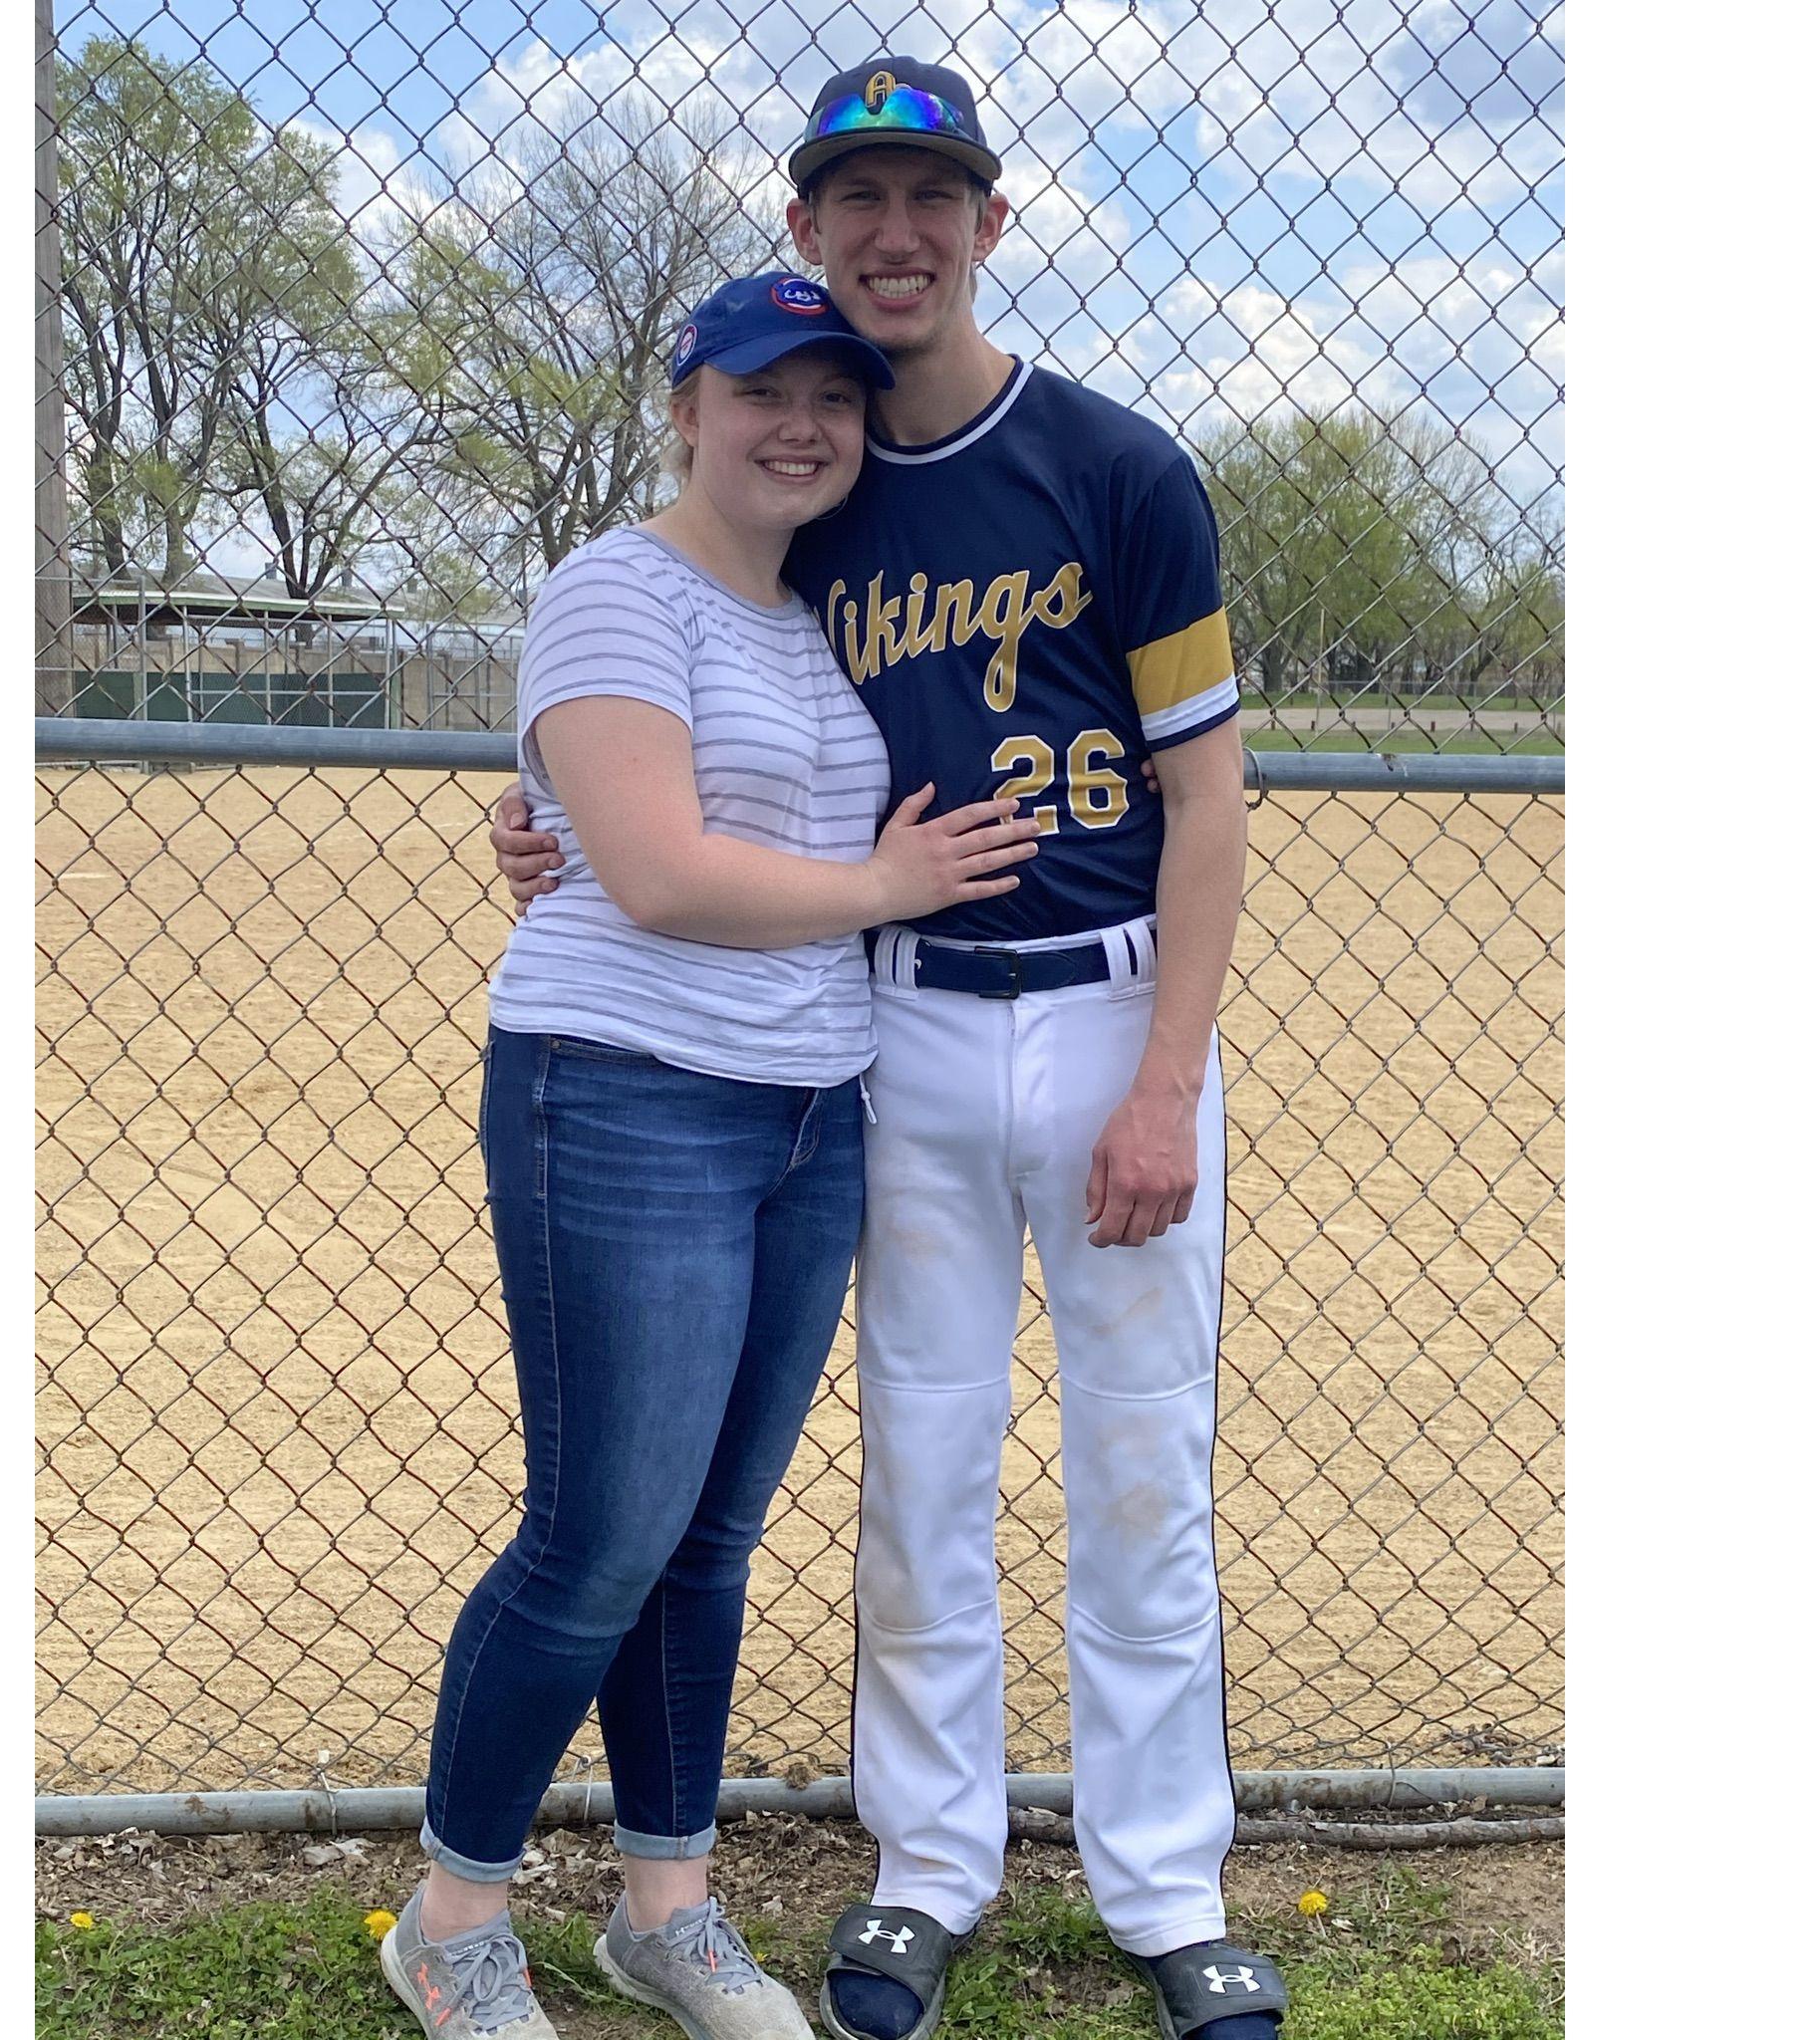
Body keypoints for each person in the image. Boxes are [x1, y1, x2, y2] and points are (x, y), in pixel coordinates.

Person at [491, 58, 1291, 2040]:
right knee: (921, 1465)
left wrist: (1165, 1077)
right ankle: (926, 1865)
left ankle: (1163, 1882)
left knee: (1136, 1464)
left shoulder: (1117, 468)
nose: (894, 233)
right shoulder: (813, 480)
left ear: (991, 225)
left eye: (932, 196)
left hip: (1107, 1001)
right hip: (896, 1029)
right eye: (855, 198)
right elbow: (681, 710)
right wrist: (549, 815)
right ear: (805, 233)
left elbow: (1210, 800)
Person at [380, 272, 1041, 2040]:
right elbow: (662, 874)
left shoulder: (829, 608)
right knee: (600, 1531)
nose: (801, 423)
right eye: (761, 390)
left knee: (713, 1537)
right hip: (623, 1092)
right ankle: (451, 1919)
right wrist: (889, 888)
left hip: (811, 1111)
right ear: (688, 404)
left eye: (833, 393)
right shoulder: (616, 588)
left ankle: (664, 1905)